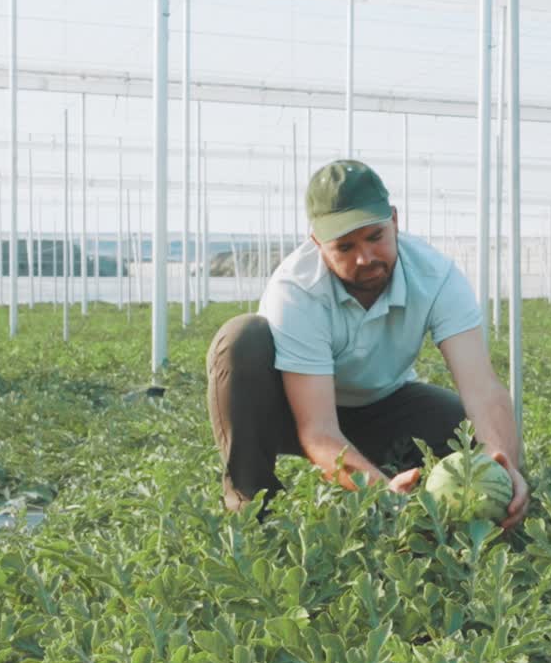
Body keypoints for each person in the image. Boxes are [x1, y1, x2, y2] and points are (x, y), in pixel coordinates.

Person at [207, 159, 529, 528]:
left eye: (375, 237)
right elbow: (318, 430)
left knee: (470, 434)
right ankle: (252, 512)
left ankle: (452, 512)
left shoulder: (436, 276)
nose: (365, 258)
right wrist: (378, 491)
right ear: (317, 243)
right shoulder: (297, 291)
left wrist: (504, 464)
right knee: (240, 339)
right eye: (344, 247)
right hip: (293, 413)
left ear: (394, 220)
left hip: (384, 405)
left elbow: (483, 389)